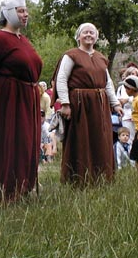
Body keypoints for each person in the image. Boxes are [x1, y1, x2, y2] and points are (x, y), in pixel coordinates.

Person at [0, 0, 42, 201]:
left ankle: (23, 185)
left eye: (26, 11)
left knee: (26, 142)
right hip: (10, 97)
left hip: (27, 97)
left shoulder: (23, 40)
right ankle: (2, 189)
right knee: (10, 141)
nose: (25, 15)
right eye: (21, 11)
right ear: (8, 13)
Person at [51, 23, 122, 185]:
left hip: (99, 105)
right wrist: (65, 103)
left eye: (92, 32)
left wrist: (115, 104)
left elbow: (107, 83)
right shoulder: (71, 55)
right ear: (78, 36)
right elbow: (61, 79)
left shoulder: (101, 58)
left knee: (101, 138)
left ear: (96, 37)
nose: (89, 35)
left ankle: (101, 176)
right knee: (80, 139)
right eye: (85, 32)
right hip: (80, 104)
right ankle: (79, 178)